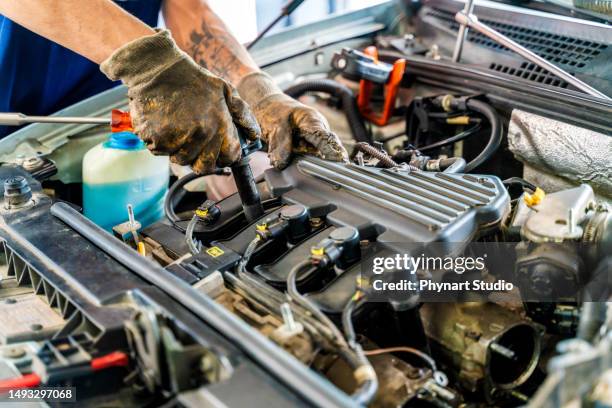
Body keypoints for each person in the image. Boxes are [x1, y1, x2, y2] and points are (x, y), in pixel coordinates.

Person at [0, 0, 347, 182]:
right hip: (12, 135)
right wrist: (151, 64)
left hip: (103, 124)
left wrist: (258, 91)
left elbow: (190, 12)